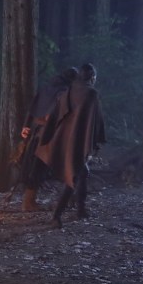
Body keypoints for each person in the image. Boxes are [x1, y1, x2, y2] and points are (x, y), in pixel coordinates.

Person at [35, 63, 106, 228]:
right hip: (77, 140)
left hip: (65, 138)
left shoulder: (69, 91)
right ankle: (56, 216)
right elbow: (95, 119)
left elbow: (57, 114)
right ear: (92, 77)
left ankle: (80, 209)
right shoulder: (91, 94)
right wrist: (95, 140)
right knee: (72, 176)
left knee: (82, 172)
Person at [19, 67, 79, 211]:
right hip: (49, 134)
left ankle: (30, 201)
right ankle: (29, 203)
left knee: (38, 167)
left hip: (37, 132)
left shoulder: (46, 89)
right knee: (40, 167)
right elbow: (57, 114)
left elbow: (32, 109)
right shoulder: (63, 92)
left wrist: (26, 126)